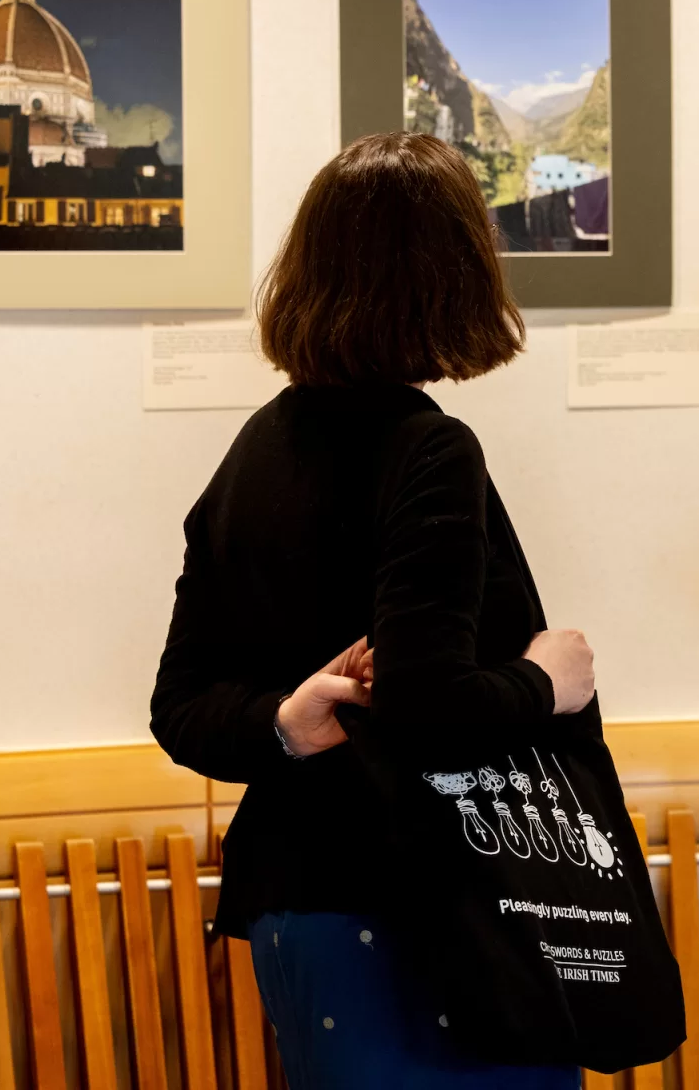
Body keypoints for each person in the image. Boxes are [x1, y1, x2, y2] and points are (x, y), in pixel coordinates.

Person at [151, 132, 597, 1089]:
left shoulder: (252, 454)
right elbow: (430, 703)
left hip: (295, 909)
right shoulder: (430, 451)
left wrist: (283, 723)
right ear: (453, 275)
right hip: (427, 914)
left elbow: (178, 707)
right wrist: (545, 681)